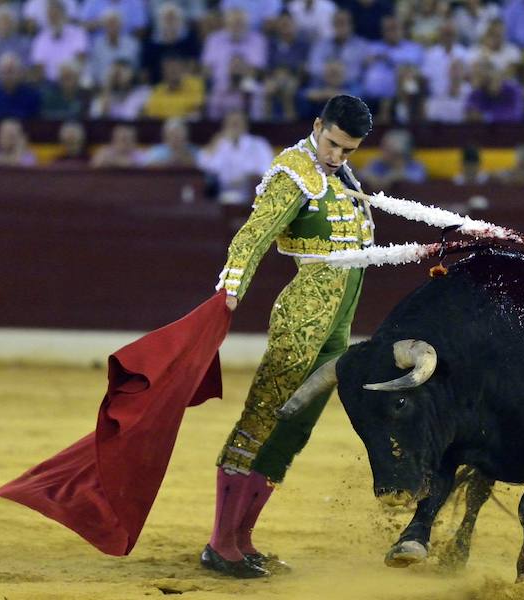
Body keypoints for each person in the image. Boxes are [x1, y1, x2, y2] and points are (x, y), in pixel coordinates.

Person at [202, 95, 374, 578]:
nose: (337, 156)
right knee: (264, 417)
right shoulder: (293, 170)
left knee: (296, 426)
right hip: (303, 317)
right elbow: (254, 234)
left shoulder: (340, 175)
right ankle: (220, 542)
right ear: (317, 126)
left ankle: (242, 536)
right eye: (333, 143)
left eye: (348, 150)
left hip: (338, 321)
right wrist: (230, 289)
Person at [196, 109, 274, 204]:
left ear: (245, 125)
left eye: (237, 123)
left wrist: (246, 177)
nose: (234, 127)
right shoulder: (220, 144)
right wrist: (214, 142)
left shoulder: (258, 144)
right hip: (223, 196)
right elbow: (204, 165)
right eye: (231, 123)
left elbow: (268, 168)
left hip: (254, 194)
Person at [360, 128, 426, 190]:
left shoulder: (415, 166)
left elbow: (419, 179)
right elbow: (362, 175)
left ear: (400, 152)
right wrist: (373, 179)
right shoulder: (377, 162)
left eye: (387, 148)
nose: (382, 150)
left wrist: (395, 176)